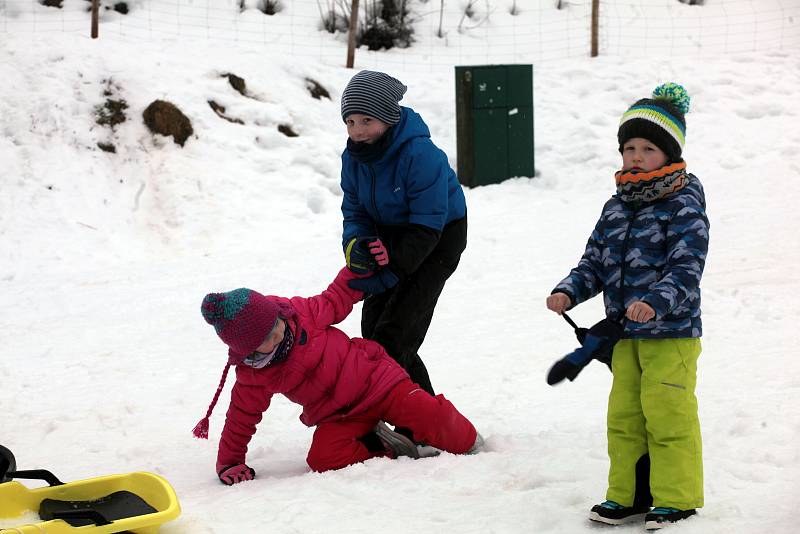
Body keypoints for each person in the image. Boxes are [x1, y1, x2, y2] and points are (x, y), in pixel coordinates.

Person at [545, 83, 709, 530]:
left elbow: (686, 268)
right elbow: (594, 262)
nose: (635, 156)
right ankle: (629, 496)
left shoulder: (684, 206)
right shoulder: (616, 207)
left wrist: (654, 303)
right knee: (624, 416)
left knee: (668, 414)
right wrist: (568, 291)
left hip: (670, 334)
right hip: (624, 334)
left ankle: (676, 498)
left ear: (670, 154)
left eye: (648, 148)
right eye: (628, 147)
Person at [192, 266, 482, 485]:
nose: (279, 330)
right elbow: (241, 416)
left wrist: (358, 268)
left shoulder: (300, 314)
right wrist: (229, 462)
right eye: (267, 336)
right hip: (340, 416)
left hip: (379, 382)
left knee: (428, 415)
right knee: (322, 458)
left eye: (276, 323)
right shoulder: (253, 374)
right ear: (249, 349)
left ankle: (469, 440)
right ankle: (382, 444)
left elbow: (337, 296)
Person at [339, 70, 468, 401]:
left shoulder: (421, 156)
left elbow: (427, 224)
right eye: (350, 122)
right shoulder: (353, 159)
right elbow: (355, 212)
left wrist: (393, 266)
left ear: (388, 117)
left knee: (395, 336)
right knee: (374, 335)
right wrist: (357, 245)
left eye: (367, 119)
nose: (358, 131)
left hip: (438, 236)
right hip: (390, 235)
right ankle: (423, 414)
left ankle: (421, 423)